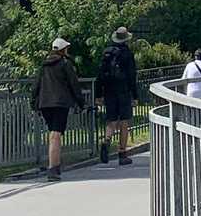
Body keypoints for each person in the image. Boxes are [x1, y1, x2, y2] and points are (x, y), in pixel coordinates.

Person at [31, 37, 85, 182]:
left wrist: (33, 102)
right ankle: (53, 168)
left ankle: (55, 165)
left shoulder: (44, 65)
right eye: (66, 48)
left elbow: (36, 84)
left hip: (45, 103)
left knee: (52, 133)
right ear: (63, 50)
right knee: (56, 134)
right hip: (60, 103)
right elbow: (74, 84)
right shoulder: (65, 64)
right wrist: (81, 103)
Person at [98, 26, 138, 166]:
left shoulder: (107, 53)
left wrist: (99, 94)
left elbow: (100, 74)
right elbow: (132, 76)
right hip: (124, 91)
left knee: (111, 120)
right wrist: (135, 95)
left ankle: (106, 140)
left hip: (109, 90)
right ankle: (122, 153)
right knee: (124, 122)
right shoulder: (127, 54)